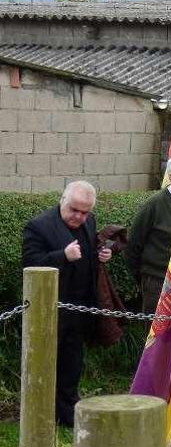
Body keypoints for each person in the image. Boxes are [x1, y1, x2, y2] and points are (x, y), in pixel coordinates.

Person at [22, 181, 113, 427]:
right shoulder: (38, 227)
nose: (79, 217)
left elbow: (89, 251)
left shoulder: (88, 222)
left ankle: (67, 411)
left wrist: (102, 255)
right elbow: (30, 264)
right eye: (74, 210)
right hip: (51, 310)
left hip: (80, 307)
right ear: (62, 200)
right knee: (47, 362)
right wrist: (62, 256)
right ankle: (40, 414)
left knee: (72, 361)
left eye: (85, 212)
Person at [126, 154, 171, 313]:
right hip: (159, 281)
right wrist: (145, 277)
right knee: (158, 334)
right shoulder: (155, 203)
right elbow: (133, 245)